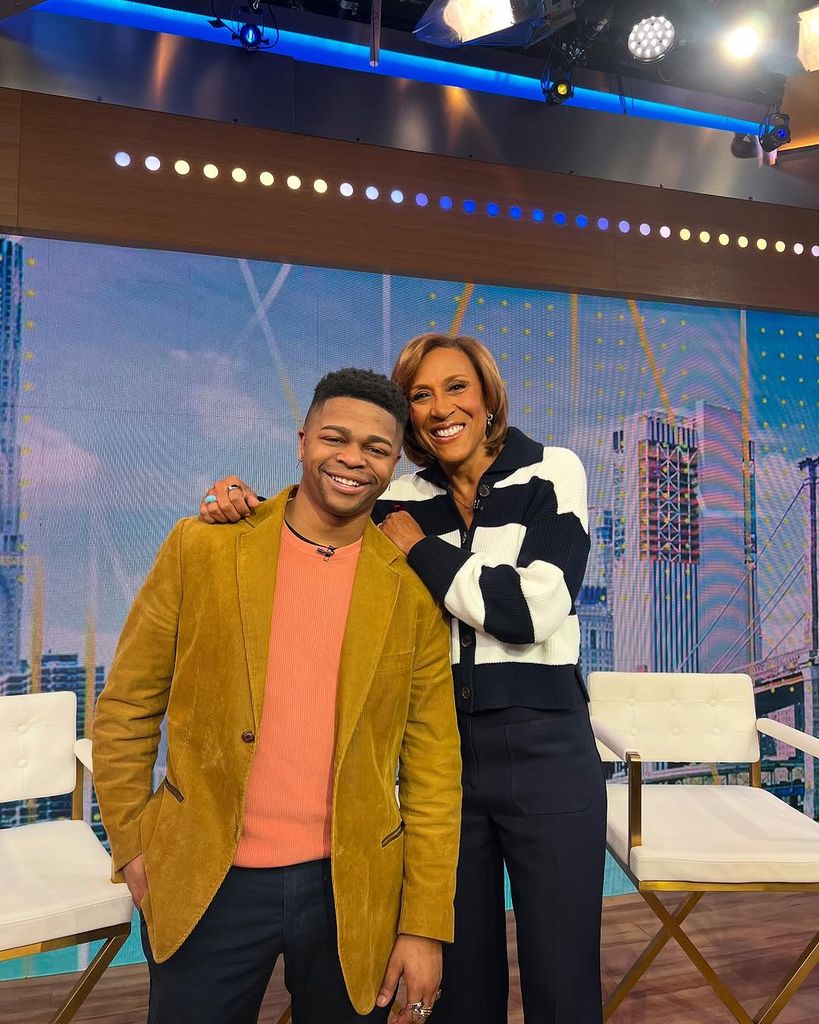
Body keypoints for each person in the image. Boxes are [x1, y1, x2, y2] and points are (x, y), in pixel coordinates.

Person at [200, 334, 607, 1024]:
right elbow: (316, 513)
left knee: (563, 979)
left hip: (548, 752)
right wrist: (241, 505)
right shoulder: (401, 494)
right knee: (458, 985)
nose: (439, 407)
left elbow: (529, 611)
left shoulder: (550, 470)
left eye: (455, 387)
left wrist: (421, 551)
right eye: (420, 394)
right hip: (443, 764)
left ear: (487, 400)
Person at [93, 368, 462, 1024]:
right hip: (206, 879)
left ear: (394, 461)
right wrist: (132, 841)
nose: (352, 458)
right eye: (334, 438)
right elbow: (126, 705)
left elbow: (434, 773)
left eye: (375, 448)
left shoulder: (409, 595)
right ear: (301, 441)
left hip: (353, 891)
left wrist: (424, 925)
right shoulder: (202, 546)